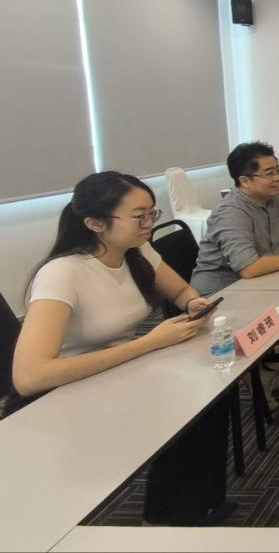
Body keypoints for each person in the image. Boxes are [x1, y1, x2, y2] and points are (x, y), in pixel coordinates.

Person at [10, 172, 234, 525]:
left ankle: (193, 510)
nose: (149, 225)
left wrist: (194, 304)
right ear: (95, 223)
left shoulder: (136, 251)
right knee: (182, 409)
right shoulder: (63, 274)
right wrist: (147, 344)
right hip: (62, 390)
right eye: (139, 217)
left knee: (208, 397)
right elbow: (30, 377)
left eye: (152, 214)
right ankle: (165, 522)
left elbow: (180, 291)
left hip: (117, 370)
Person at [190, 141, 279, 296]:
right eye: (270, 174)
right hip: (221, 292)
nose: (278, 178)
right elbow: (249, 268)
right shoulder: (231, 212)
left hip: (261, 279)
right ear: (245, 181)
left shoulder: (277, 196)